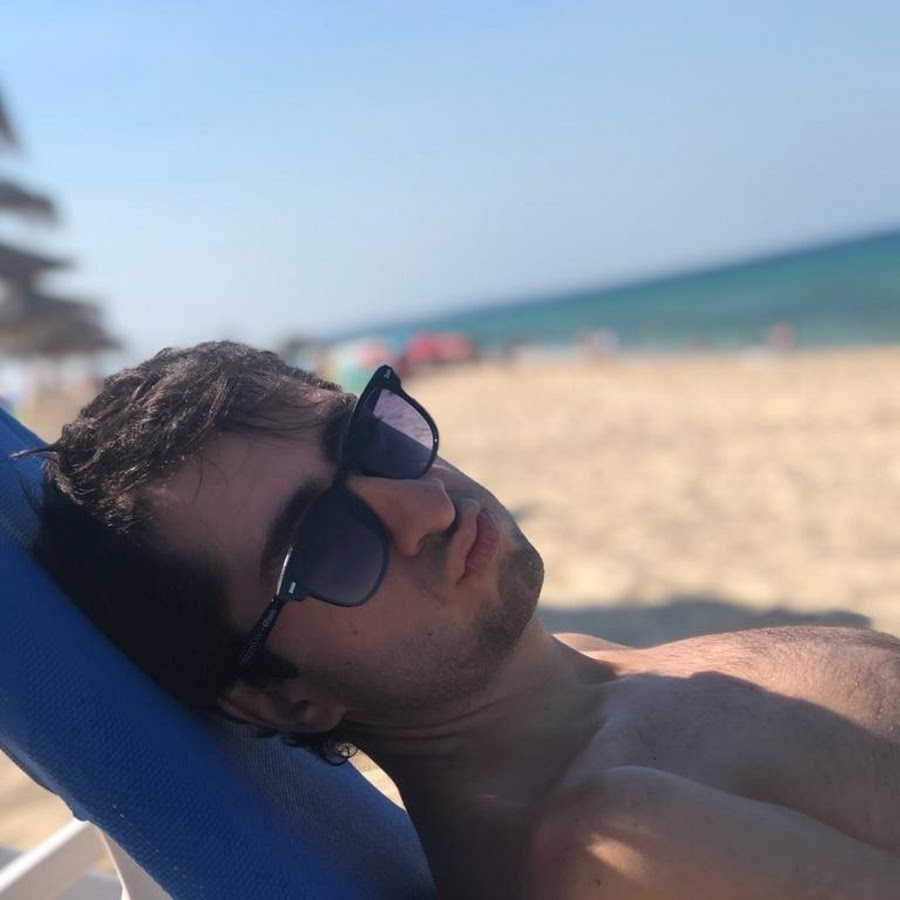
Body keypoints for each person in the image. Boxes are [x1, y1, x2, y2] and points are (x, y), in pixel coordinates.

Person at [30, 341, 900, 899]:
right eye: (326, 543)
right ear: (281, 697)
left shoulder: (579, 680)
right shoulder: (620, 849)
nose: (426, 505)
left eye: (369, 439)